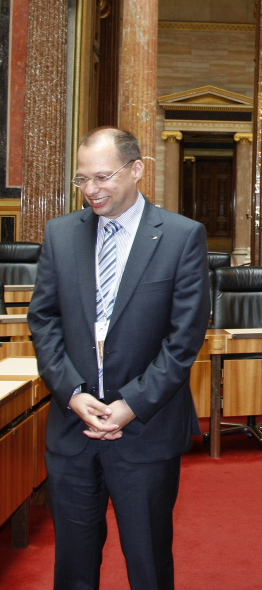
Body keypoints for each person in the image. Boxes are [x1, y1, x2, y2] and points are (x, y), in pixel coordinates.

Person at [28, 127, 210, 590]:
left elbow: (184, 337)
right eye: (82, 179)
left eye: (103, 177)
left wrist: (131, 404)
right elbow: (44, 320)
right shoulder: (59, 234)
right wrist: (70, 392)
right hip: (72, 430)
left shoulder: (181, 237)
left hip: (146, 431)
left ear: (137, 170)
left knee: (148, 562)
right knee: (72, 563)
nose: (91, 190)